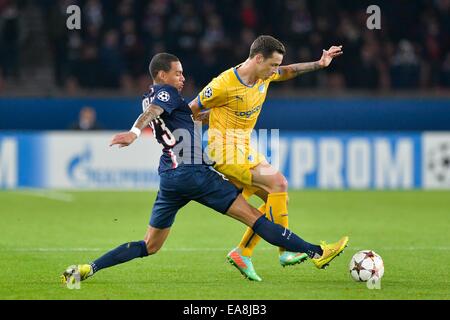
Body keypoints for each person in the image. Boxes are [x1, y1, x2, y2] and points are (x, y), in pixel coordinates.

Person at [61, 53, 348, 284]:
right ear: (161, 75)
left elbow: (185, 117)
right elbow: (152, 113)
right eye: (177, 73)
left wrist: (224, 114)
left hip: (170, 179)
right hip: (194, 174)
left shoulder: (159, 97)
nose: (182, 78)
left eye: (183, 73)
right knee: (257, 217)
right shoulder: (164, 94)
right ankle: (316, 252)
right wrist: (133, 134)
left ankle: (90, 268)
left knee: (149, 245)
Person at [189, 35, 343, 281]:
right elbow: (190, 110)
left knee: (277, 198)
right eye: (272, 65)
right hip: (223, 150)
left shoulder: (265, 75)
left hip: (245, 147)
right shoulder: (223, 84)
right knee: (278, 183)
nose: (274, 71)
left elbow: (289, 70)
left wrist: (319, 63)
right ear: (258, 58)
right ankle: (286, 250)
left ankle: (243, 252)